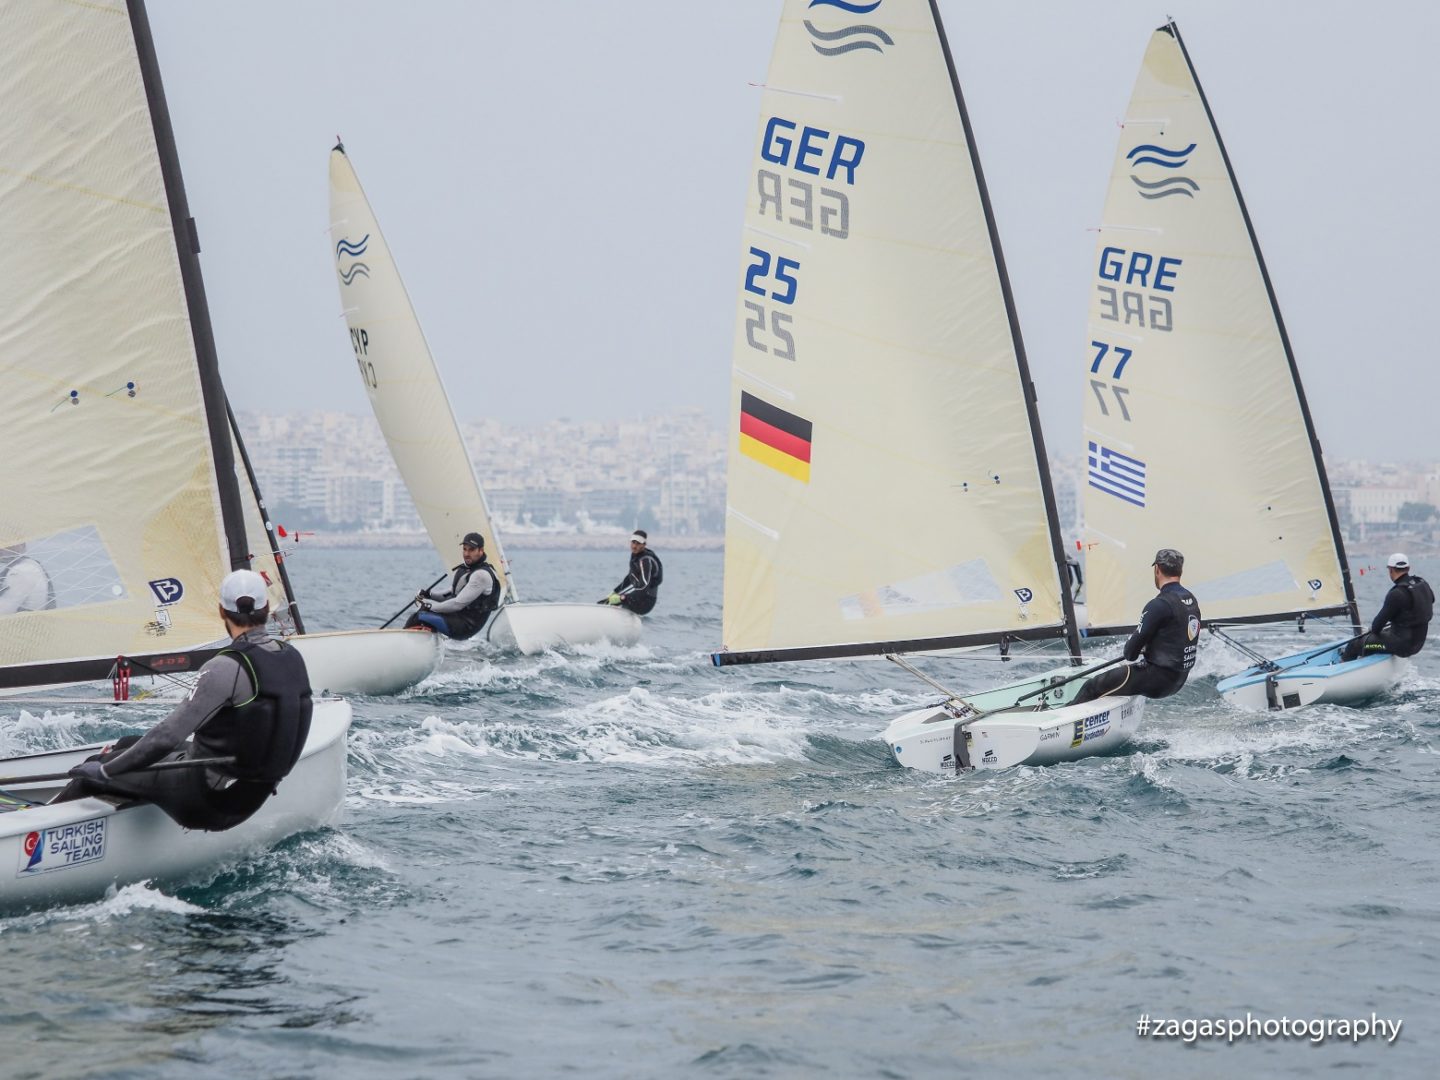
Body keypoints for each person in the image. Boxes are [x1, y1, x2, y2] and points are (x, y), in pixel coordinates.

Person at [53, 569, 313, 832]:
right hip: (248, 798)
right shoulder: (292, 658)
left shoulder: (225, 667)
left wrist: (105, 772)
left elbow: (166, 737)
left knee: (92, 770)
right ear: (266, 608)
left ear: (221, 611)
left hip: (203, 800)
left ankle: (41, 827)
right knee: (127, 744)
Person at [1072, 548, 1202, 704]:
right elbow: (1176, 637)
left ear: (1157, 569)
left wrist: (1142, 646)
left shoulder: (1159, 604)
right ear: (1180, 571)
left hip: (1157, 679)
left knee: (1092, 686)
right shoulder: (1191, 600)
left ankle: (1062, 715)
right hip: (1179, 679)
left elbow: (1130, 653)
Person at [406, 531, 501, 639]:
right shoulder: (468, 569)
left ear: (481, 551)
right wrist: (429, 595)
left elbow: (457, 604)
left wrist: (430, 606)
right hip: (456, 617)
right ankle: (424, 643)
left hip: (466, 626)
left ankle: (403, 643)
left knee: (418, 617)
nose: (466, 554)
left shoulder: (481, 575)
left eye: (471, 550)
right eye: (464, 549)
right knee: (424, 615)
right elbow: (451, 593)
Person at [1339, 553, 1434, 661]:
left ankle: (1342, 664)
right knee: (1385, 631)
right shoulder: (1422, 583)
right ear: (1408, 568)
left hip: (1402, 647)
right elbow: (1431, 600)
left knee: (1355, 644)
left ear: (1391, 570)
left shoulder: (1396, 594)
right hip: (1418, 643)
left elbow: (1376, 627)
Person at [600, 531, 663, 615]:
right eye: (633, 542)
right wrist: (615, 592)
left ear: (644, 545)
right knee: (606, 601)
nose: (634, 546)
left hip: (646, 602)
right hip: (638, 597)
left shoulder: (645, 560)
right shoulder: (636, 556)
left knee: (614, 600)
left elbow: (643, 587)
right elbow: (630, 578)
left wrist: (622, 598)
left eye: (638, 543)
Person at [0, 543, 55, 615]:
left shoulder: (22, 570)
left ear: (22, 545)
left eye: (7, 543)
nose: (1, 547)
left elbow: (3, 612)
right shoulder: (28, 566)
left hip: (25, 621)